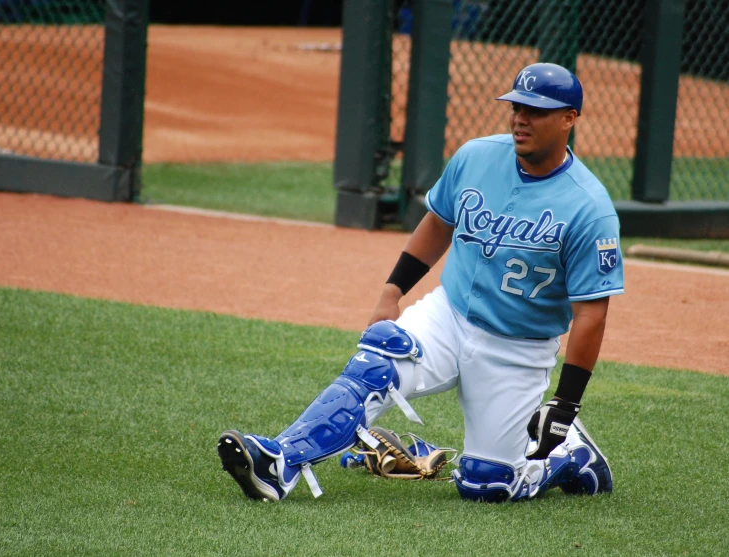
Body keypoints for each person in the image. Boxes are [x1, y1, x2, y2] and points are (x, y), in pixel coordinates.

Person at [217, 62, 624, 503]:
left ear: (569, 118)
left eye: (536, 111)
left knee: (487, 485)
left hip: (518, 348)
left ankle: (571, 456)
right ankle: (279, 462)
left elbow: (591, 314)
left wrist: (565, 406)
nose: (520, 119)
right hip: (449, 316)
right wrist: (392, 292)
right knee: (377, 361)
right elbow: (438, 224)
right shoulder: (476, 157)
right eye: (516, 107)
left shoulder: (589, 208)